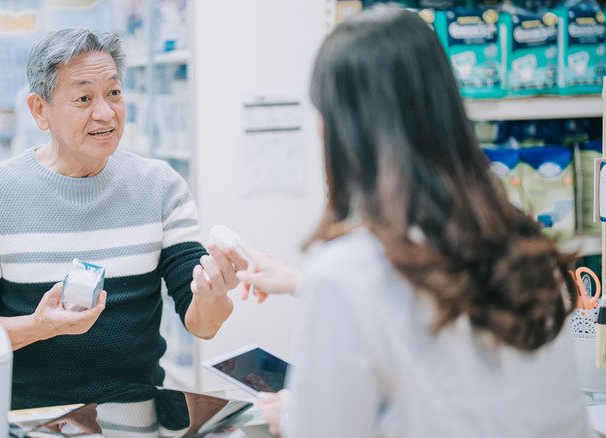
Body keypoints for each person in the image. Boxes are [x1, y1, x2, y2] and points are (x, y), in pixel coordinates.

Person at [235, 6, 594, 437]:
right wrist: (303, 284)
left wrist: (290, 417)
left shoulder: (345, 277)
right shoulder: (520, 240)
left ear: (344, 129)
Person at [0, 29, 247, 409]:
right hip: (30, 416)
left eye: (114, 93)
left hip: (138, 416)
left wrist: (212, 294)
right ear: (40, 109)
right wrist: (41, 327)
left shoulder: (161, 187)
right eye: (83, 98)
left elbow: (203, 323)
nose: (105, 113)